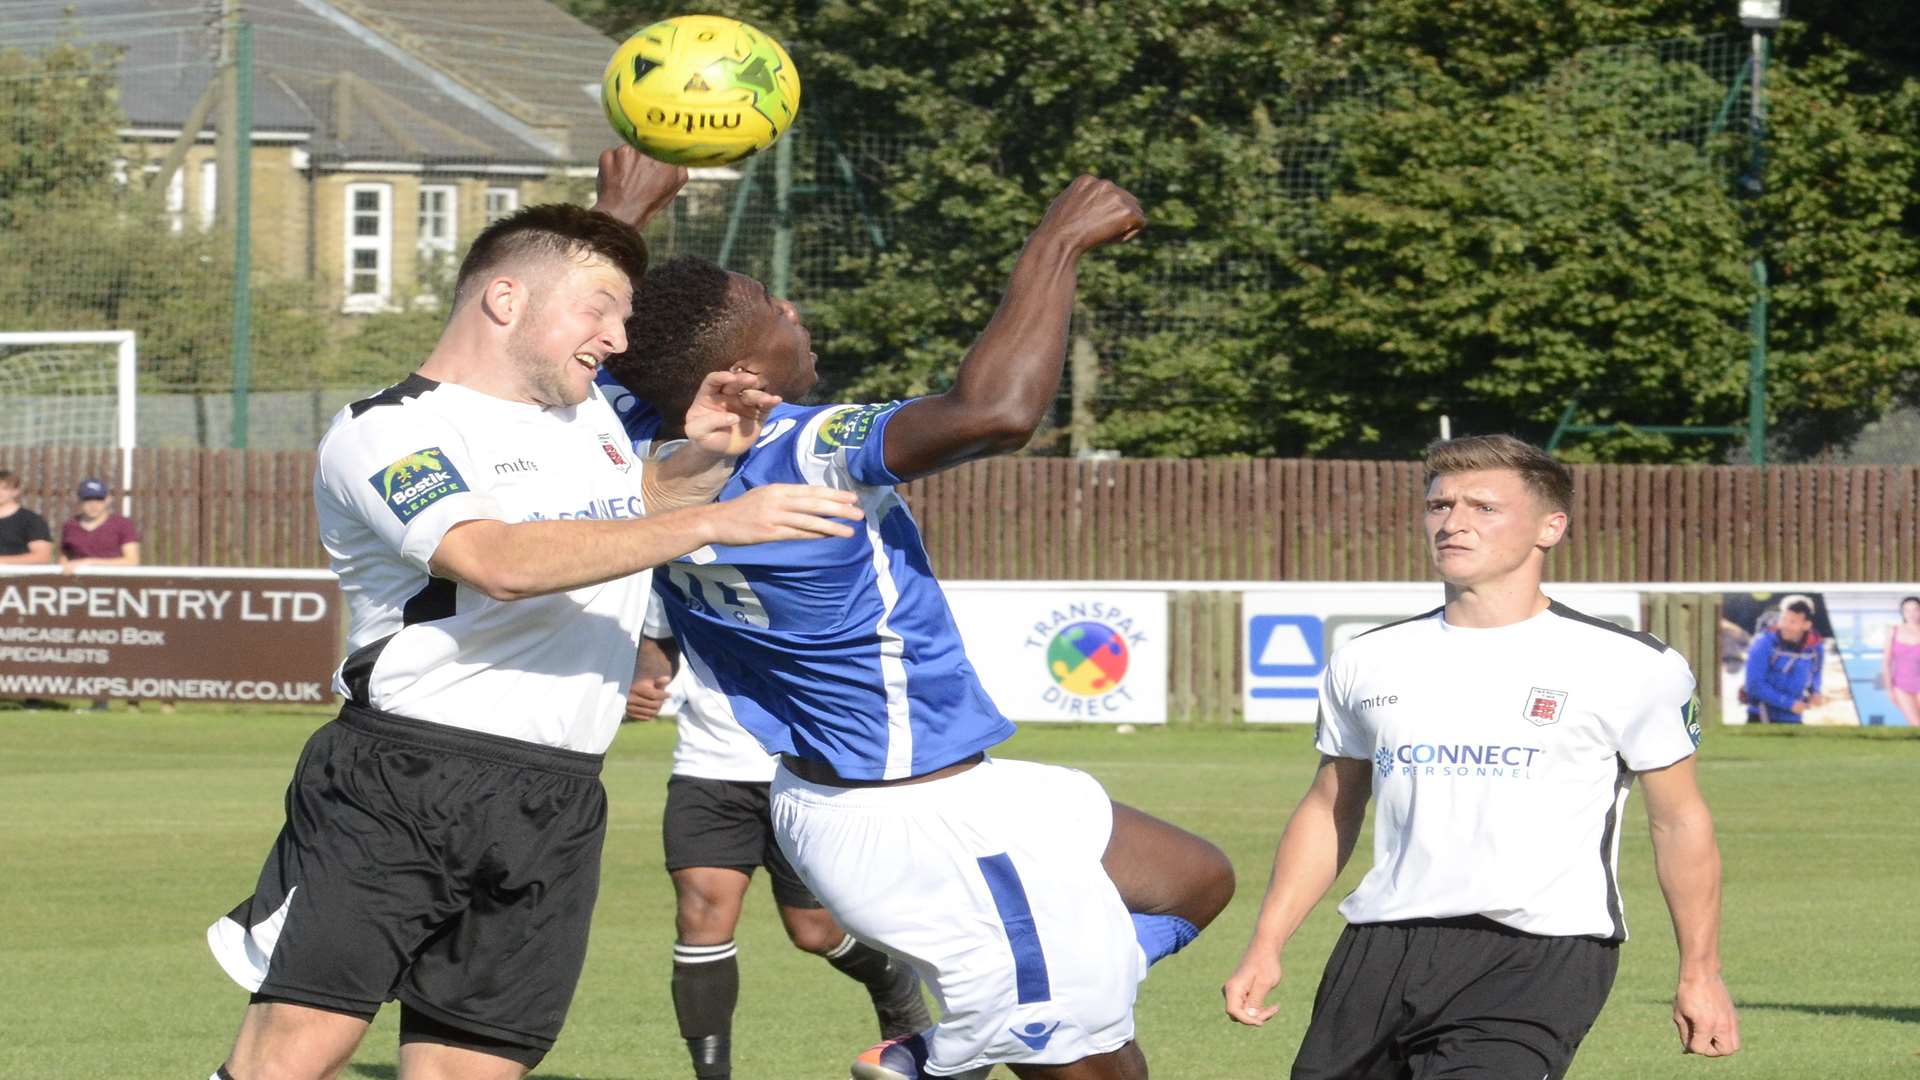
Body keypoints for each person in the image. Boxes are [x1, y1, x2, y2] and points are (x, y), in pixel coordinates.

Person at [202, 147, 863, 1080]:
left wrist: (700, 464)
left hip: (557, 794)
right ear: (504, 302)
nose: (619, 340)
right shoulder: (389, 428)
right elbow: (497, 561)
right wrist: (722, 517)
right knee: (300, 1047)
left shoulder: (584, 415)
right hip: (406, 777)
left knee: (474, 1065)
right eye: (601, 314)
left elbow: (620, 515)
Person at [598, 174, 1235, 1080]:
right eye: (770, 308)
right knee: (1104, 1071)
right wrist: (1054, 245)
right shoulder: (799, 451)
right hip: (916, 818)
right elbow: (996, 411)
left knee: (1194, 879)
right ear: (737, 382)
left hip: (888, 794)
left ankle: (968, 1037)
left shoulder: (626, 439)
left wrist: (619, 214)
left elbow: (587, 349)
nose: (791, 307)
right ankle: (981, 1038)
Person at [1222, 434, 1739, 1078]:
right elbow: (1330, 807)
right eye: (1440, 505)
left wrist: (1700, 973)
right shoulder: (1365, 659)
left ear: (1550, 527)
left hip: (1539, 956)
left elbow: (1680, 821)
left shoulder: (1634, 666)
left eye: (1483, 507)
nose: (1454, 522)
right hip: (1380, 948)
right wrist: (1267, 943)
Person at [625, 597, 931, 1080]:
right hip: (707, 771)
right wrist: (642, 682)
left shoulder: (812, 557)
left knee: (814, 930)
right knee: (701, 916)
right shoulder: (680, 559)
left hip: (807, 771)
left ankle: (892, 983)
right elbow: (658, 641)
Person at [1743, 597, 1825, 724]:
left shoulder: (1815, 648)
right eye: (1783, 619)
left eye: (1792, 622)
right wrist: (1789, 703)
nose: (1785, 625)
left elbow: (1816, 672)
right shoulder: (1763, 643)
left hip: (1794, 718)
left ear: (1806, 625)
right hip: (1761, 716)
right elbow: (1754, 685)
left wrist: (1815, 691)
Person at [59, 477, 140, 572]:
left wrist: (90, 562)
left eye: (99, 499)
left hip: (115, 582)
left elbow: (131, 561)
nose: (93, 505)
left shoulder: (122, 524)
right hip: (79, 583)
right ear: (80, 500)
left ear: (108, 499)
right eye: (88, 499)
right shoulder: (70, 525)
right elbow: (64, 557)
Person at [0, 469, 54, 564]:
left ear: (16, 491)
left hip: (18, 577)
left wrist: (2, 561)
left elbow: (42, 557)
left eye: (4, 488)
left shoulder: (31, 521)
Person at [1882, 596, 1920, 728]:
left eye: (1916, 610)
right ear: (1902, 612)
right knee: (1916, 725)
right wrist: (1889, 689)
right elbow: (1886, 663)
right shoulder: (1893, 631)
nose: (1912, 614)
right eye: (1907, 610)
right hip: (1900, 686)